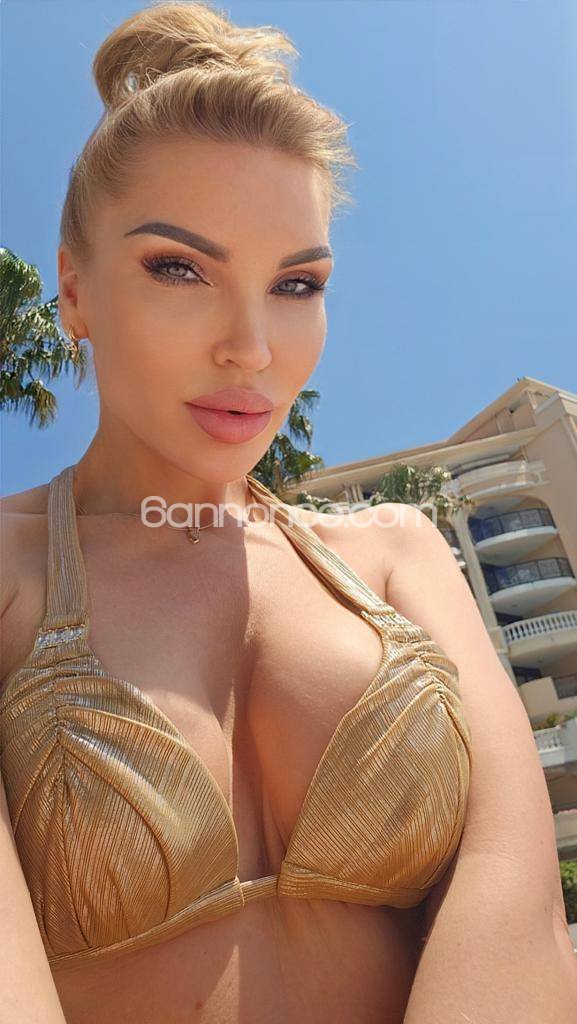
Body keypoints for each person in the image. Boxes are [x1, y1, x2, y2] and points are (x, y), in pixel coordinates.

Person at [2, 3, 574, 1023]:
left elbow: (514, 894)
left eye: (296, 283)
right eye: (180, 268)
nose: (253, 347)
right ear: (75, 292)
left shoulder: (396, 554)